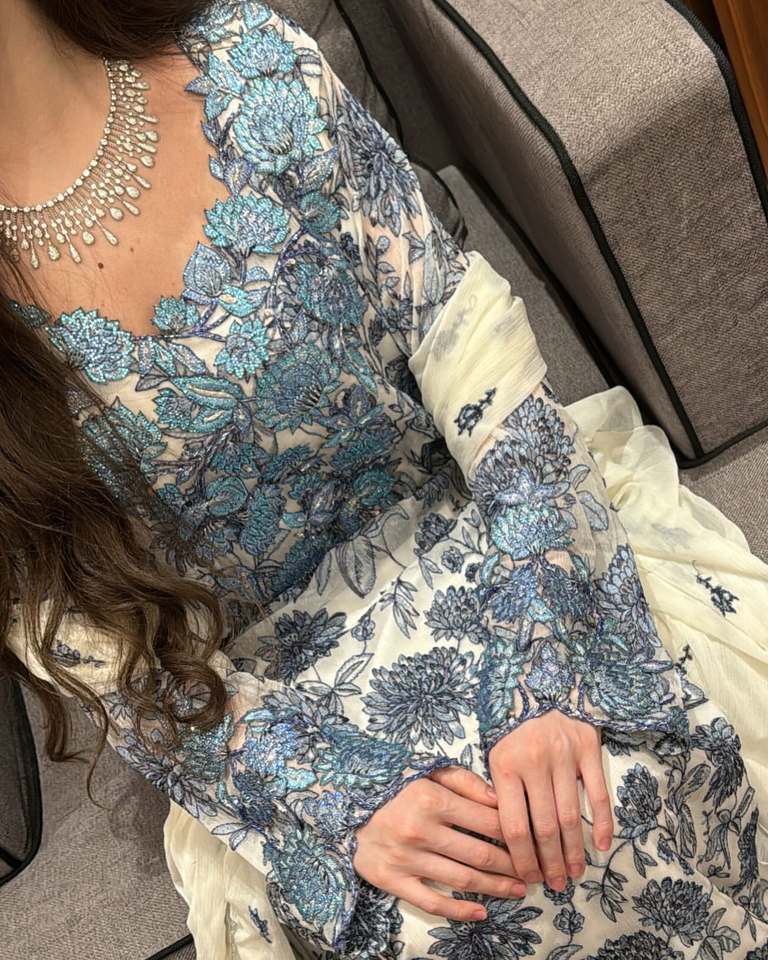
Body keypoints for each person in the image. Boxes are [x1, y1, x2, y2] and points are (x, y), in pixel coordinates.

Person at [3, 1, 768, 958]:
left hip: (490, 533)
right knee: (448, 909)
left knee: (602, 796)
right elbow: (83, 637)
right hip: (259, 693)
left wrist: (547, 651)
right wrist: (337, 787)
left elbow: (470, 353)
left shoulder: (248, 67)